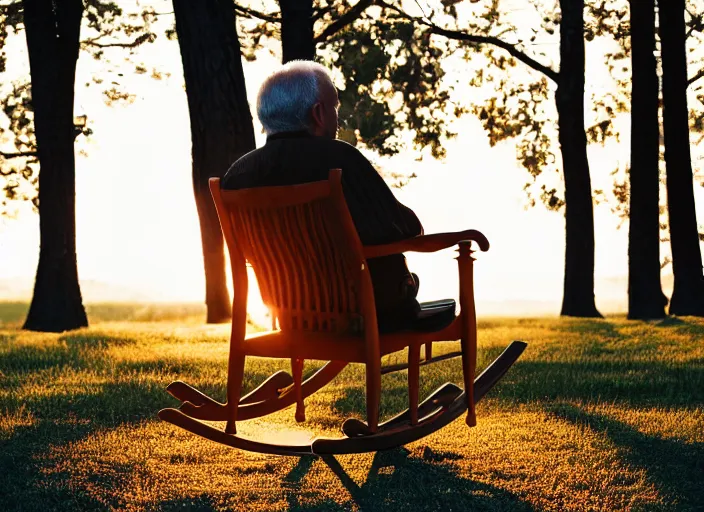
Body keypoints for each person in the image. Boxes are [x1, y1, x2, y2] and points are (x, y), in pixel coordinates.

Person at [223, 60, 423, 331]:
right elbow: (403, 231)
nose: (337, 116)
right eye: (334, 107)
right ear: (318, 113)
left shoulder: (238, 175)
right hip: (369, 314)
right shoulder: (340, 160)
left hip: (290, 315)